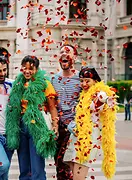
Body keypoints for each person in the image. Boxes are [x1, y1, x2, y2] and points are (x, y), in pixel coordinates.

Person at [5, 55, 59, 180]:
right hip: (21, 125)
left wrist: (55, 125)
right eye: (24, 68)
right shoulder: (18, 83)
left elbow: (52, 107)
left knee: (37, 166)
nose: (27, 71)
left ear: (37, 69)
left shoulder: (44, 84)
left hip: (37, 125)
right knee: (24, 166)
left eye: (31, 68)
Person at [63, 66, 117, 180]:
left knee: (79, 173)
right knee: (73, 167)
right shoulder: (84, 95)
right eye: (81, 81)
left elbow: (102, 99)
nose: (84, 84)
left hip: (89, 137)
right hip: (77, 134)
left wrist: (106, 99)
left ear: (95, 81)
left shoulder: (98, 93)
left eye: (87, 81)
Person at [51, 44, 81, 180]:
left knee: (75, 166)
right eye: (61, 52)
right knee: (60, 166)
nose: (64, 53)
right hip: (59, 129)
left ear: (74, 57)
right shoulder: (53, 80)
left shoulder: (81, 79)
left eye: (68, 52)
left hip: (76, 129)